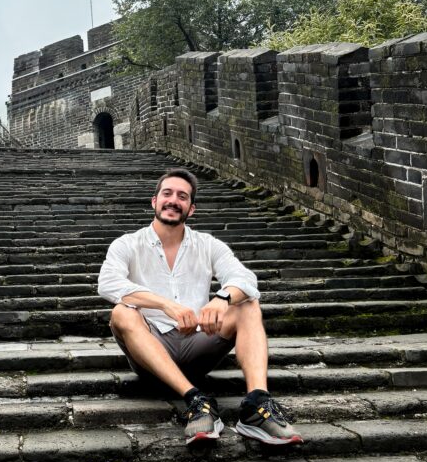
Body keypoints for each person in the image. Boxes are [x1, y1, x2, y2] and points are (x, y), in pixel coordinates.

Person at [98, 167, 303, 447]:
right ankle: (195, 400)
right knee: (122, 311)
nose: (173, 200)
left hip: (198, 345)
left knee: (247, 303)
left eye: (182, 196)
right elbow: (108, 283)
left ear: (191, 209)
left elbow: (245, 279)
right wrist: (165, 304)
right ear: (154, 201)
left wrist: (222, 298)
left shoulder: (207, 244)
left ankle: (257, 404)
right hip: (151, 352)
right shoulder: (128, 244)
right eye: (167, 194)